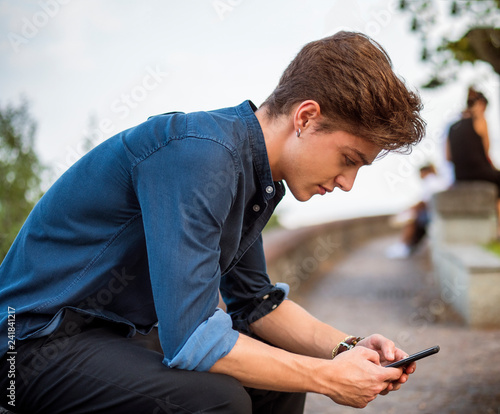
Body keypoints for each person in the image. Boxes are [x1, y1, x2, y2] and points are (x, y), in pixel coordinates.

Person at [0, 31, 425, 413]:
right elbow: (191, 338)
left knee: (277, 385)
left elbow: (255, 303)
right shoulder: (201, 154)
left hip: (113, 338)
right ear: (306, 118)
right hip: (29, 348)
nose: (348, 183)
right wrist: (326, 378)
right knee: (217, 402)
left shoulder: (252, 171)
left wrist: (346, 349)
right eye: (349, 159)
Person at [386, 163, 448, 259]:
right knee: (416, 219)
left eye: (420, 174)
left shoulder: (430, 181)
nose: (420, 176)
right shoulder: (437, 180)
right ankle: (406, 246)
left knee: (412, 220)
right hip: (437, 214)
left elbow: (424, 202)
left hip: (434, 215)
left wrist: (408, 210)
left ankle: (404, 247)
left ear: (425, 172)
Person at [447, 87, 500, 193]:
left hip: (460, 176)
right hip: (481, 174)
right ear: (481, 106)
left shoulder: (452, 127)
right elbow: (486, 153)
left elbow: (448, 157)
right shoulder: (480, 121)